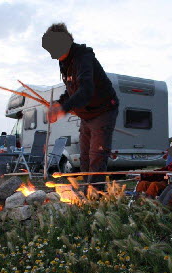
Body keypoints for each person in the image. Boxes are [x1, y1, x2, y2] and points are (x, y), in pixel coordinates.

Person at [42, 23, 119, 187]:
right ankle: (86, 192)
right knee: (84, 156)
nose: (53, 56)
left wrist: (63, 109)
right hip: (87, 115)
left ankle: (95, 197)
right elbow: (72, 90)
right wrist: (58, 104)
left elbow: (86, 91)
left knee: (97, 155)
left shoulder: (83, 58)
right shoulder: (64, 61)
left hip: (104, 109)